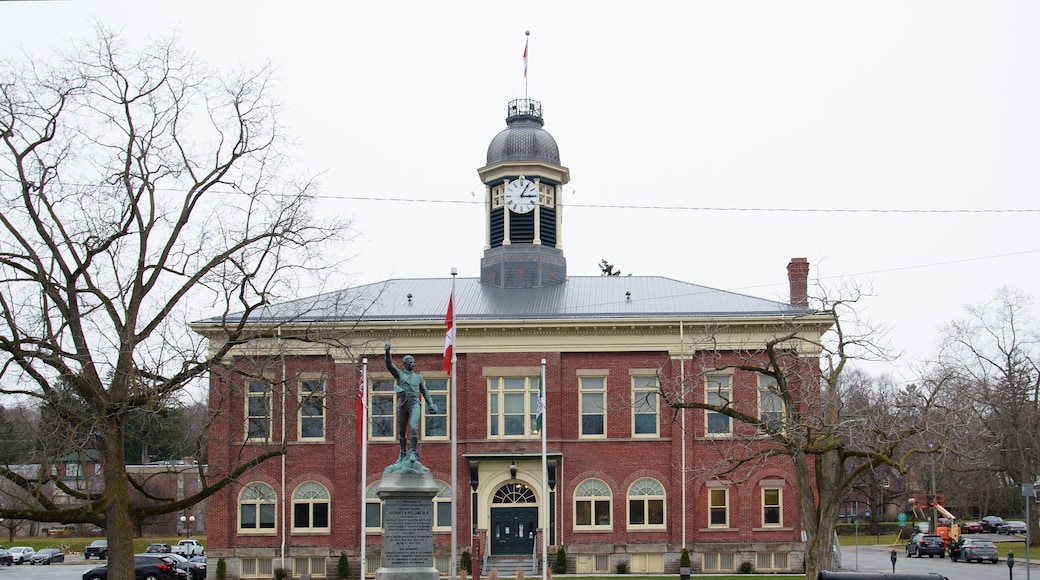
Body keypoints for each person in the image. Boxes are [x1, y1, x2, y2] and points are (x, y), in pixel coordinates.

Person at [385, 343, 438, 462]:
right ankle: (403, 452)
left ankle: (413, 451)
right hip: (403, 404)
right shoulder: (400, 374)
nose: (413, 364)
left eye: (414, 362)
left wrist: (431, 403)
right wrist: (387, 352)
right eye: (411, 362)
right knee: (402, 431)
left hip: (414, 403)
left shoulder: (418, 377)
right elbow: (389, 365)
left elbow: (424, 391)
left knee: (414, 427)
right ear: (405, 364)